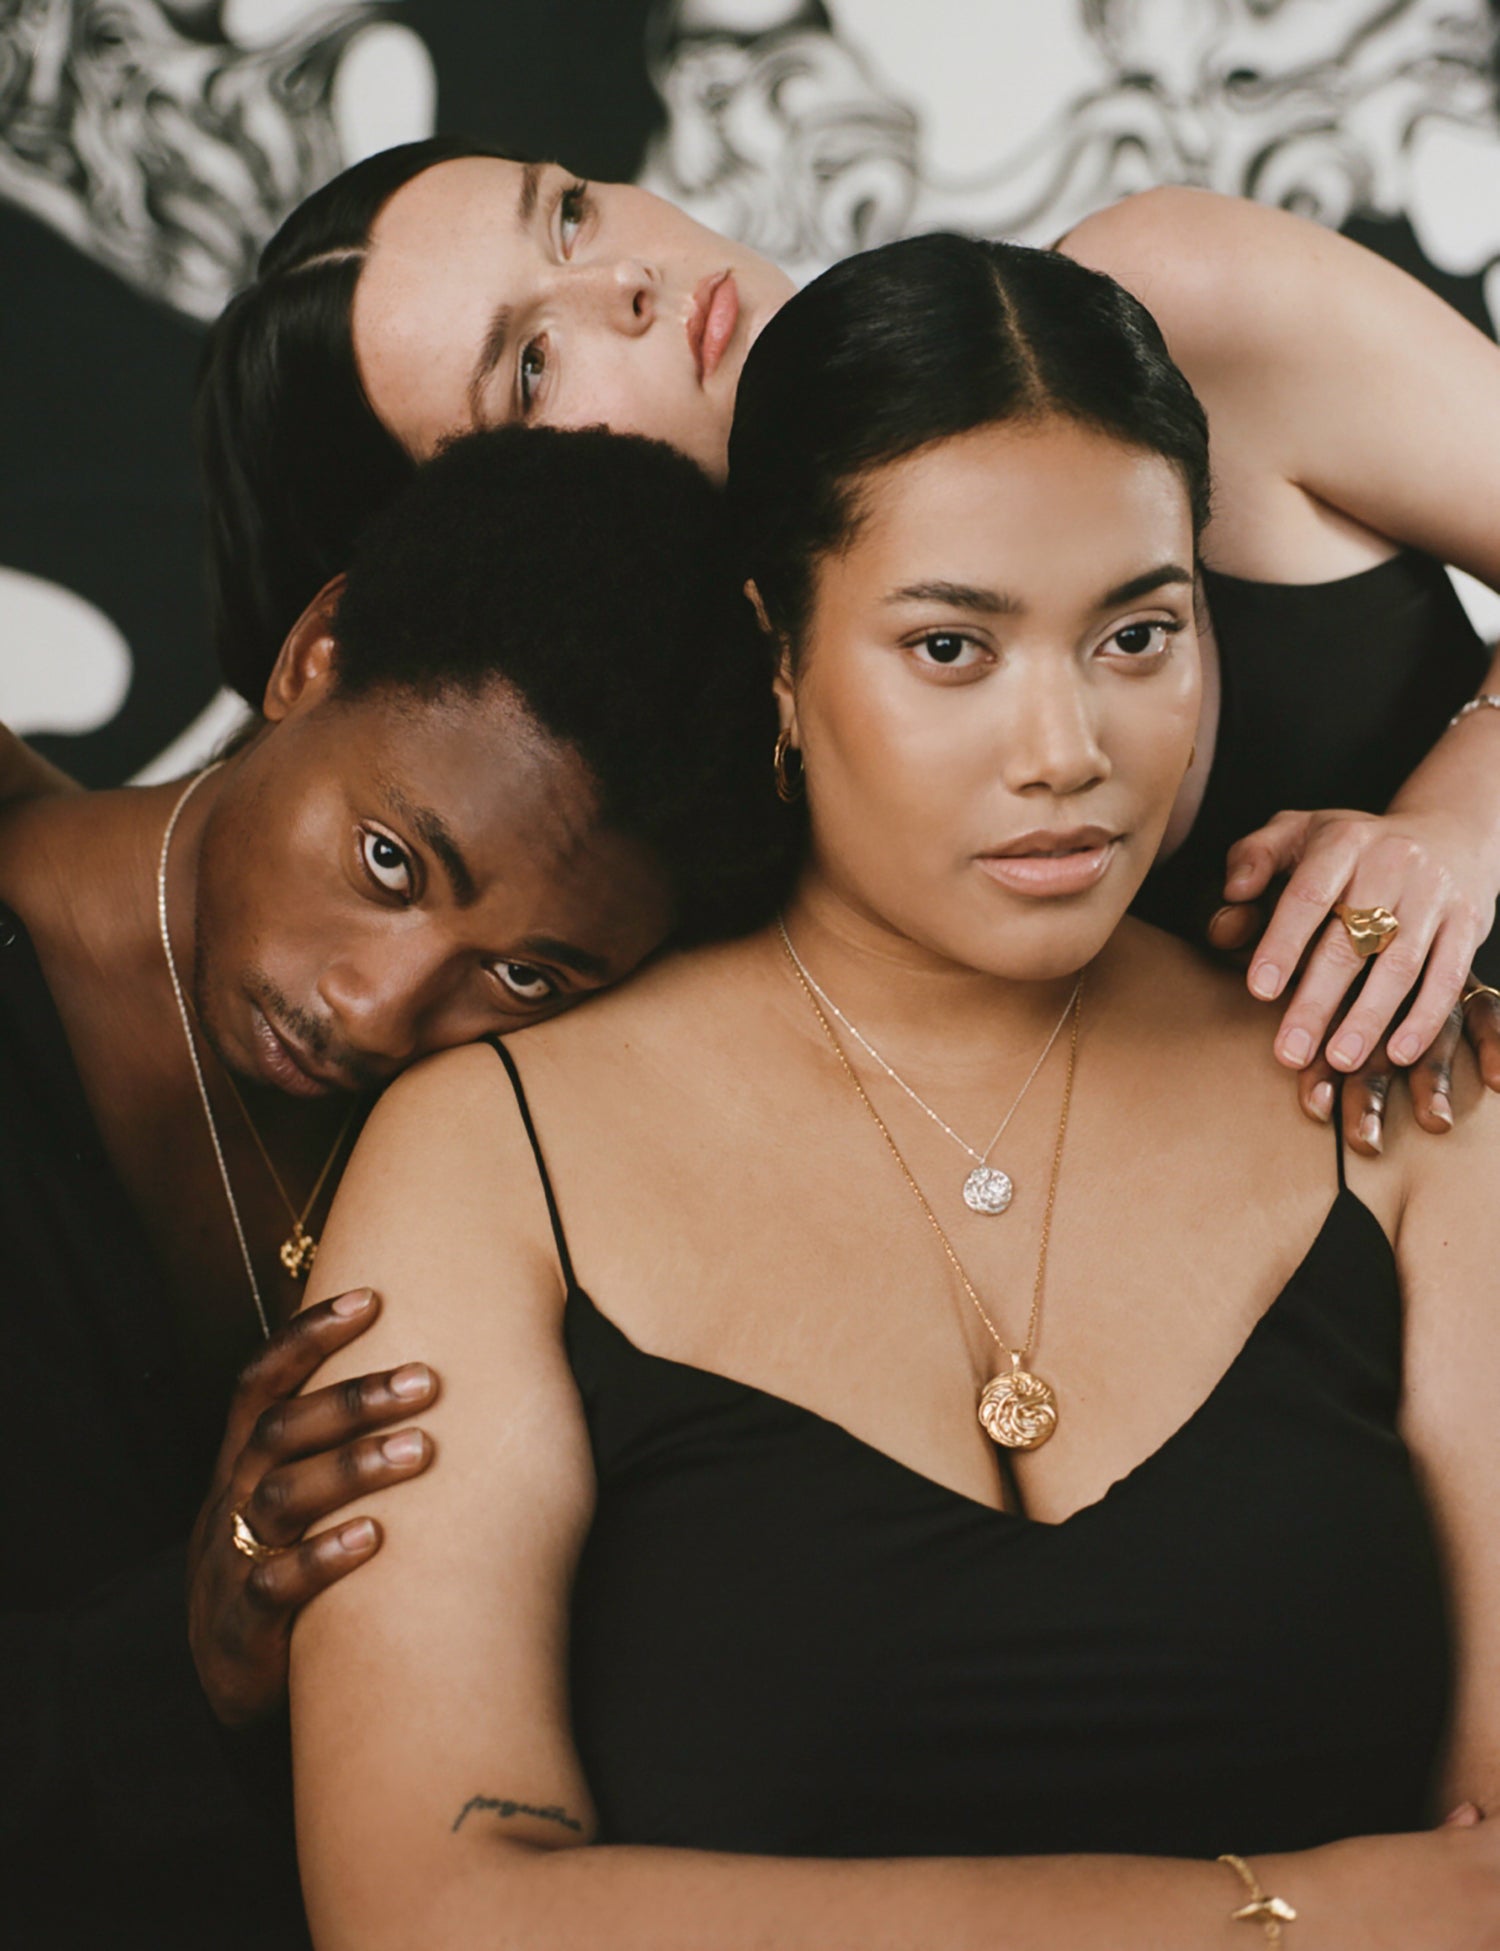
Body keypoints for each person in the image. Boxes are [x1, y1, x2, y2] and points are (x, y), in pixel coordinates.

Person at [290, 235, 1500, 1949]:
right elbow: (425, 1912)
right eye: (951, 647)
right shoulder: (487, 1155)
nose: (1067, 750)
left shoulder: (1408, 1100)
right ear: (778, 652)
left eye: (1138, 633)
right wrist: (1284, 1912)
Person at [189, 136, 1500, 1148]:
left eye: (569, 213)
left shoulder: (1170, 309)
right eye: (531, 366)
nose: (626, 284)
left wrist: (1457, 832)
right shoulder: (648, 870)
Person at [0, 423, 782, 1947]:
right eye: (388, 864)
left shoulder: (512, 1144)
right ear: (315, 653)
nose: (375, 1009)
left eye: (526, 973)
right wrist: (171, 1663)